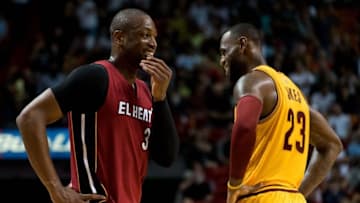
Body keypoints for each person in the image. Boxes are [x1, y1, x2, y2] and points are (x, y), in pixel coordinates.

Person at [16, 8, 179, 203]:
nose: (153, 43)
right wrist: (55, 189)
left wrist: (160, 99)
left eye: (154, 37)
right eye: (145, 35)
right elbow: (29, 117)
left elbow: (166, 157)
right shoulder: (96, 76)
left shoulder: (146, 91)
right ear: (119, 38)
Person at [219, 23, 343, 203]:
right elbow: (332, 145)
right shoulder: (295, 94)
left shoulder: (250, 82)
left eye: (224, 52)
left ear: (242, 44)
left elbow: (245, 126)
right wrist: (299, 193)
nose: (222, 60)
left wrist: (234, 186)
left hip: (260, 196)